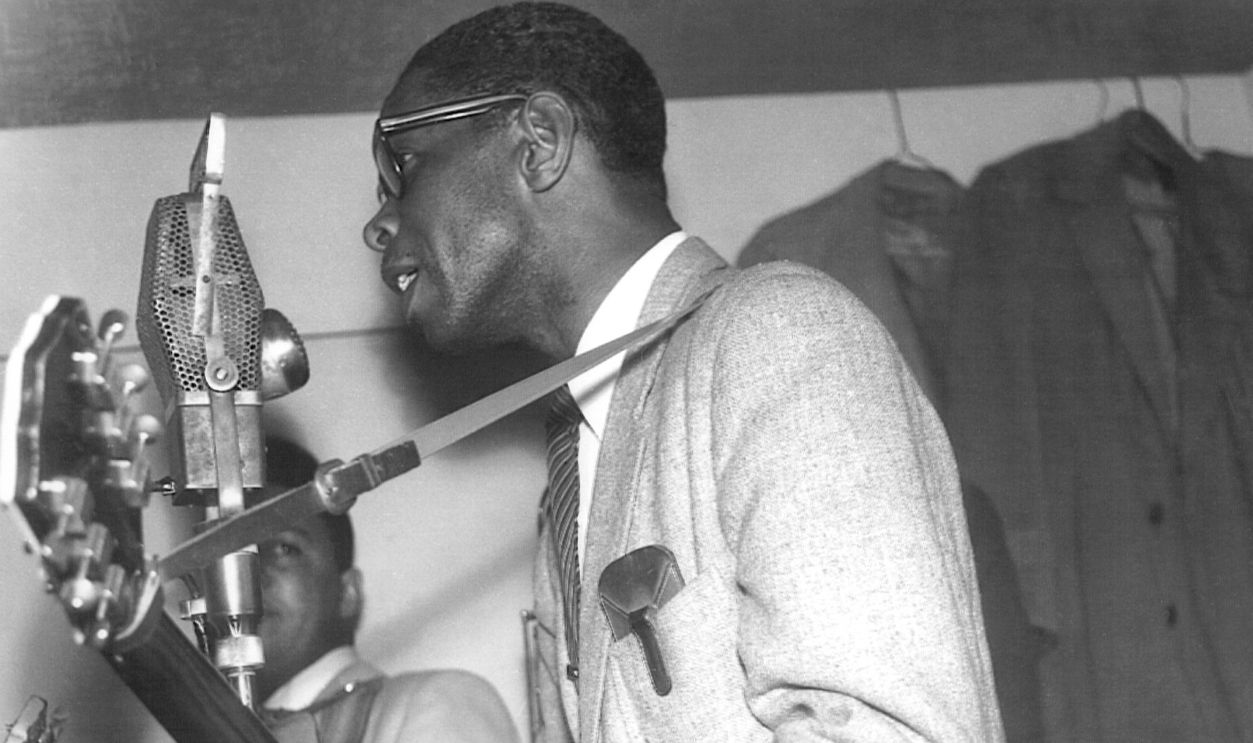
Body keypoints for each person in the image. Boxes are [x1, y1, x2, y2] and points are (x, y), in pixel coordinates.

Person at [361, 3, 1004, 741]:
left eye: (403, 166)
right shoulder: (573, 468)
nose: (378, 224)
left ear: (539, 142)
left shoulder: (778, 333)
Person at [253, 437, 519, 743]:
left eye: (285, 549)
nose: (249, 576)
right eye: (236, 556)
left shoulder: (437, 702)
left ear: (348, 593)